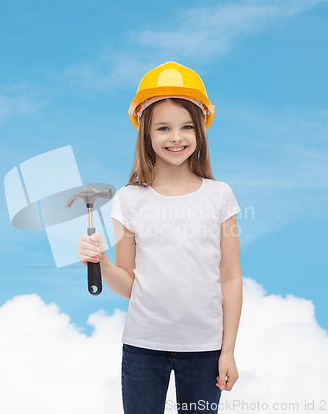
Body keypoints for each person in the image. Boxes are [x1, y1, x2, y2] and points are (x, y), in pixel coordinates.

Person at [76, 61, 242, 414]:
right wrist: (100, 262)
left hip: (206, 349)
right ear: (146, 135)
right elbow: (129, 284)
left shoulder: (220, 196)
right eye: (163, 128)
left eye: (185, 127)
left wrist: (228, 350)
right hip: (142, 347)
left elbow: (230, 277)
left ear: (200, 131)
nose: (176, 137)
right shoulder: (129, 199)